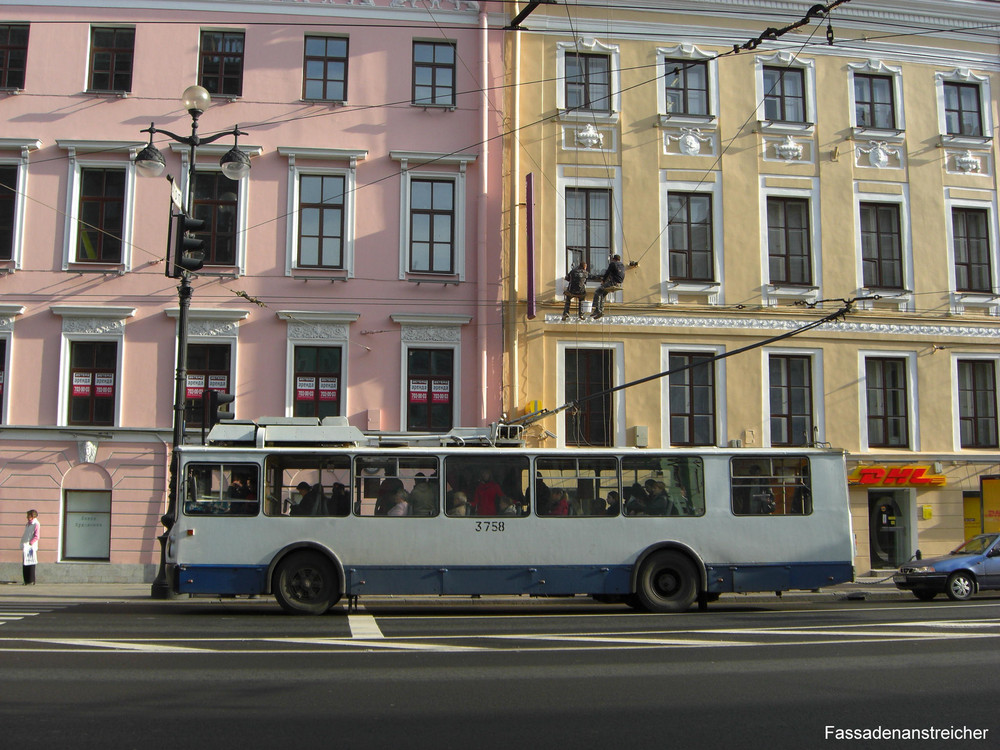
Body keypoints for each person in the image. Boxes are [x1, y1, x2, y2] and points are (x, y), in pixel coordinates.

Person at [590, 254, 636, 319]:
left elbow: (607, 272)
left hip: (612, 283)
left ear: (614, 259)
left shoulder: (613, 264)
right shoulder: (622, 265)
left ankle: (597, 310)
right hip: (618, 283)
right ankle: (601, 310)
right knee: (602, 295)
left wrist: (603, 280)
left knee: (597, 292)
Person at [21, 509, 39, 585]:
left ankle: (31, 580)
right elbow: (26, 534)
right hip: (25, 545)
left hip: (31, 546)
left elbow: (36, 536)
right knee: (25, 562)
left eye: (29, 516)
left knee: (31, 562)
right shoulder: (27, 524)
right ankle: (26, 580)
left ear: (33, 516)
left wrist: (31, 543)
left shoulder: (36, 524)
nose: (27, 517)